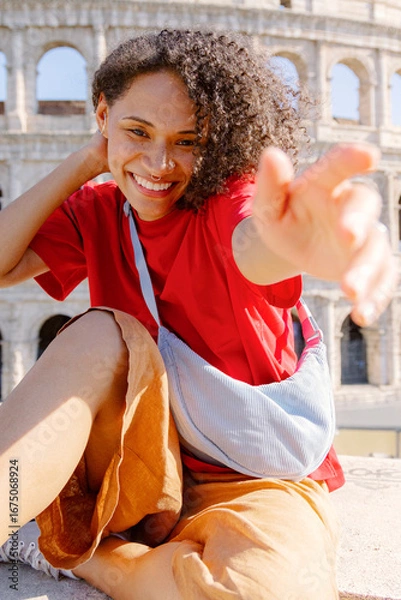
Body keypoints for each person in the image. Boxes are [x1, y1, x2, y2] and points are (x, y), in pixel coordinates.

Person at [0, 29, 396, 600]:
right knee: (100, 336)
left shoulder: (224, 203)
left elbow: (253, 243)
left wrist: (293, 245)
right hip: (138, 460)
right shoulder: (98, 211)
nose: (159, 163)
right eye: (139, 131)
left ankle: (75, 553)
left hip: (255, 478)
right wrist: (91, 156)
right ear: (104, 115)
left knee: (261, 592)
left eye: (187, 141)